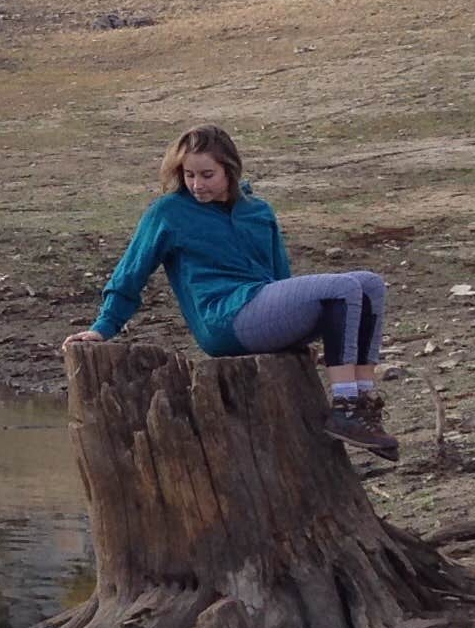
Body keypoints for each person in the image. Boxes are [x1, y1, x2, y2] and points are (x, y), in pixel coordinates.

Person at [71, 123, 398, 460]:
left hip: (263, 308)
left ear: (229, 169)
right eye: (189, 175)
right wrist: (103, 327)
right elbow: (131, 272)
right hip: (224, 320)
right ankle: (345, 403)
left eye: (207, 175)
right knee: (343, 288)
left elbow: (282, 278)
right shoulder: (168, 212)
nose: (197, 185)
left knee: (369, 284)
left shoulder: (258, 211)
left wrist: (294, 329)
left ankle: (363, 404)